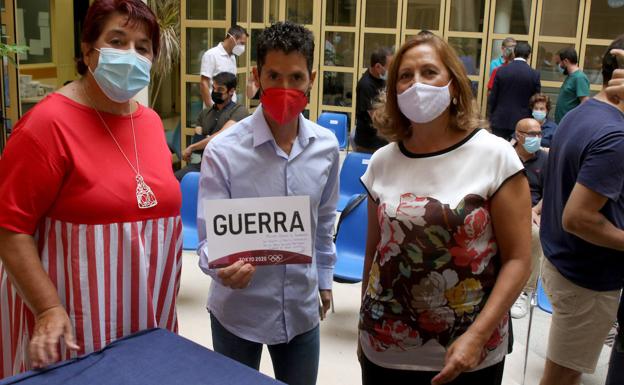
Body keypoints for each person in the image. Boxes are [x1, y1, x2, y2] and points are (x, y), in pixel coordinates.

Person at [0, 0, 182, 378]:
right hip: (67, 326)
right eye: (117, 41)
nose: (130, 54)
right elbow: (9, 228)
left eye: (142, 47)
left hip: (142, 318)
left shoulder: (149, 123)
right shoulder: (46, 125)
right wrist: (48, 308)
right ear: (88, 50)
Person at [358, 33, 531, 385]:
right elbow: (375, 254)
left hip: (468, 355)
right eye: (405, 76)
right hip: (385, 348)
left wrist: (477, 336)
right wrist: (364, 327)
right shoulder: (382, 162)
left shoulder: (495, 156)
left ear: (453, 85)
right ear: (394, 91)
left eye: (429, 72)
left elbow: (518, 260)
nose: (416, 84)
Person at [197, 22, 339, 385]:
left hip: (301, 310)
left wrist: (324, 280)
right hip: (237, 312)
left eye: (296, 77)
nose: (286, 88)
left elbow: (323, 223)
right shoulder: (223, 152)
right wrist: (220, 267)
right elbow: (208, 239)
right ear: (257, 75)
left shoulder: (326, 148)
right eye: (274, 76)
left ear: (312, 78)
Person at [538, 36, 624, 385]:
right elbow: (578, 218)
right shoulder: (616, 135)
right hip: (586, 279)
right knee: (561, 377)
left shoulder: (581, 112)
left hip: (562, 263)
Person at [175, 72, 248, 181]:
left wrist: (193, 146)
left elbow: (221, 136)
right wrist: (201, 144)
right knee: (175, 179)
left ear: (231, 91)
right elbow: (200, 143)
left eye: (220, 89)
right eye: (213, 88)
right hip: (204, 166)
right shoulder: (204, 113)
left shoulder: (239, 111)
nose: (215, 92)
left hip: (230, 167)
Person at [509, 118, 548, 319]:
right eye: (532, 134)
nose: (537, 138)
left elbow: (548, 193)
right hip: (507, 207)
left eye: (539, 134)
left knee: (534, 234)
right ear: (518, 135)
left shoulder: (546, 159)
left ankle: (525, 290)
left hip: (534, 210)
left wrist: (534, 210)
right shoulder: (505, 155)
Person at [488, 42, 541, 140]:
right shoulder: (534, 74)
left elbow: (493, 97)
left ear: (514, 53)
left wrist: (491, 115)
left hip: (500, 119)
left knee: (499, 150)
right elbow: (536, 100)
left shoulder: (501, 71)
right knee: (517, 152)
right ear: (529, 55)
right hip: (523, 121)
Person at [354, 47, 393, 153]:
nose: (391, 71)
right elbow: (375, 117)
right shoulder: (366, 85)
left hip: (381, 140)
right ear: (378, 67)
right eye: (389, 68)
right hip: (369, 144)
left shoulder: (381, 79)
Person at [199, 25, 248, 108]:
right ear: (233, 38)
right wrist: (211, 108)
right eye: (242, 43)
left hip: (231, 107)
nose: (243, 47)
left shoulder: (233, 57)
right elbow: (204, 84)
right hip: (215, 106)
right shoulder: (211, 55)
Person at [554, 47, 590, 123]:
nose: (559, 66)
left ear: (566, 61)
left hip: (570, 123)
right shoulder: (570, 76)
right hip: (562, 123)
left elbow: (585, 103)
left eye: (559, 63)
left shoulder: (580, 77)